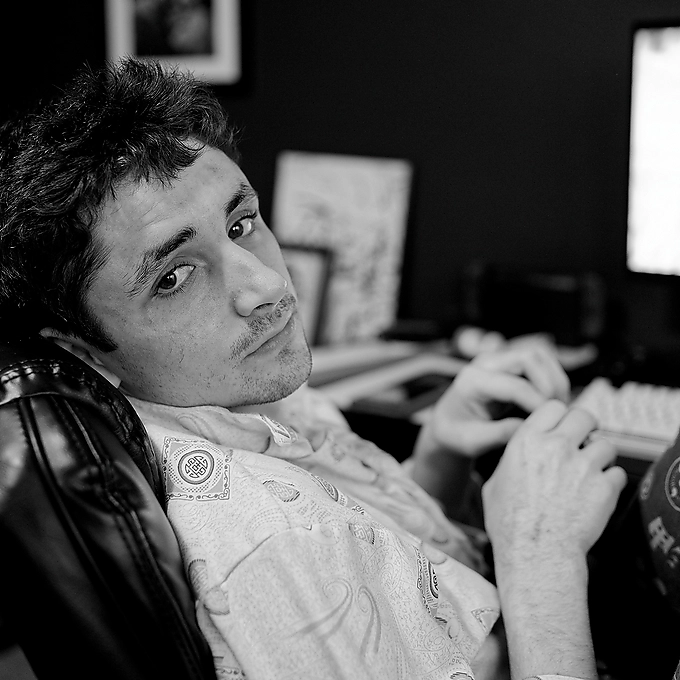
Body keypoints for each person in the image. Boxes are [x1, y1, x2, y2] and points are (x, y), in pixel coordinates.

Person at [0, 58, 627, 680]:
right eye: (175, 277)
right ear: (83, 350)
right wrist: (541, 556)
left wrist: (440, 455)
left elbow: (386, 575)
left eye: (241, 224)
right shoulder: (269, 548)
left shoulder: (247, 393)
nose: (267, 286)